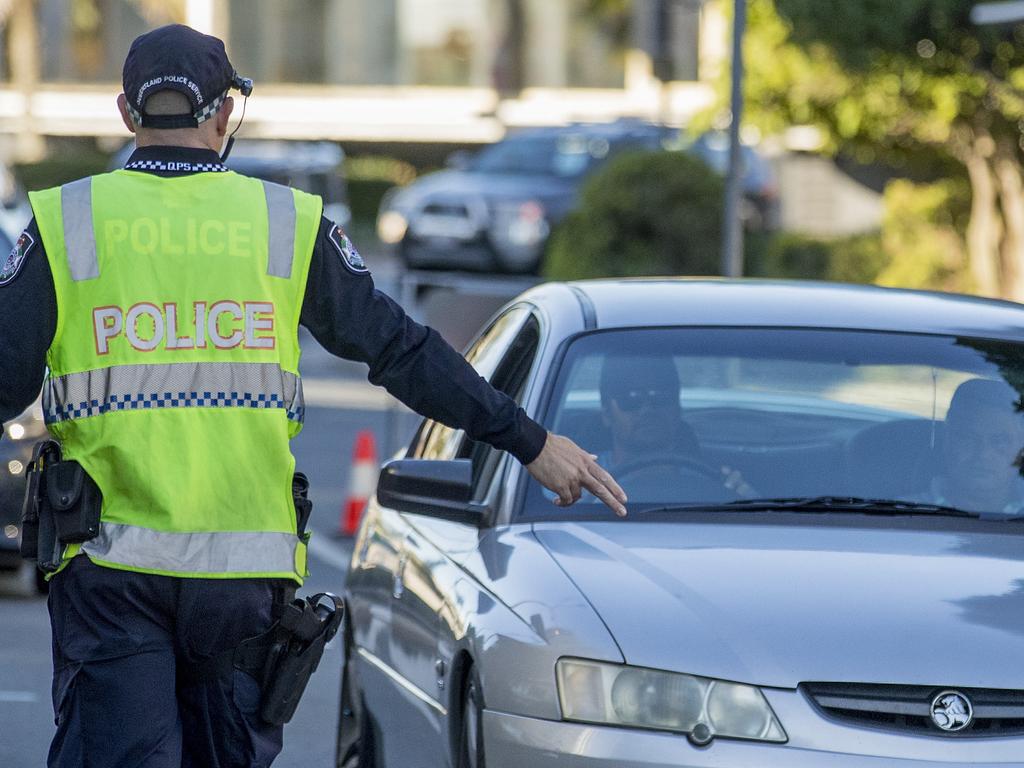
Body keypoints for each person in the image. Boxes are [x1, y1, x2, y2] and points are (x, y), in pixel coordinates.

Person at [0, 24, 625, 768]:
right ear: (225, 115)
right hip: (243, 580)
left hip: (110, 571)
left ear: (126, 114)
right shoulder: (287, 225)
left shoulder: (64, 223)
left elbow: (6, 382)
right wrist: (531, 442)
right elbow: (403, 351)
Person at [922, 377, 1024, 516]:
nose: (983, 454)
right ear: (947, 441)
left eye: (1000, 441)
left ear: (1021, 449)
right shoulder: (893, 515)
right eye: (968, 438)